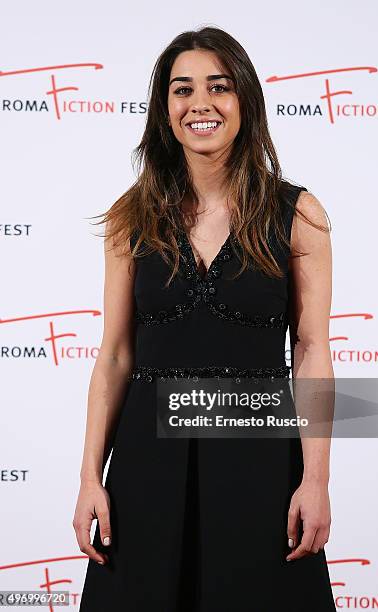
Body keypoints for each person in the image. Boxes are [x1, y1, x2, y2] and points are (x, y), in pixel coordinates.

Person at [73, 25, 336, 611]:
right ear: (164, 108)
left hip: (259, 464)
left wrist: (315, 479)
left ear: (245, 99)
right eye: (182, 89)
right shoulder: (131, 217)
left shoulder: (298, 215)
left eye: (219, 86)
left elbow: (313, 349)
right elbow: (115, 353)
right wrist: (91, 477)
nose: (201, 104)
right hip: (147, 467)